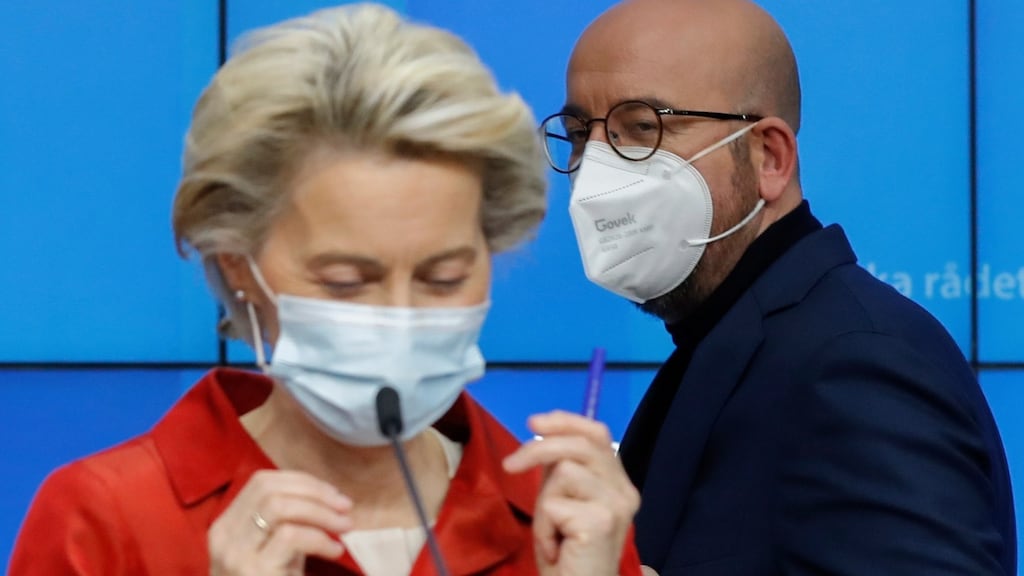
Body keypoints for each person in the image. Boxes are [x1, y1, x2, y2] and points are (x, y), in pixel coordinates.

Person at [9, 5, 643, 575]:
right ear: (237, 265)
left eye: (441, 278)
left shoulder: (565, 520)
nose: (399, 317)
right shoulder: (105, 519)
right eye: (346, 282)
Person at [540, 0, 1016, 574]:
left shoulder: (854, 363)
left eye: (642, 128)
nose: (596, 173)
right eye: (578, 135)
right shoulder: (730, 342)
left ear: (770, 156)